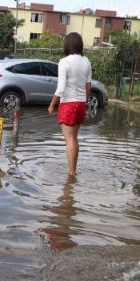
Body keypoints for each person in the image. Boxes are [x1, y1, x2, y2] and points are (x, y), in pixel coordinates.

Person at [48, 32, 92, 178]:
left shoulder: (64, 62)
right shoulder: (86, 61)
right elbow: (89, 86)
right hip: (80, 103)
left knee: (70, 139)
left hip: (68, 103)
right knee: (74, 138)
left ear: (67, 45)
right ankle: (73, 170)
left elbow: (61, 88)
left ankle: (71, 173)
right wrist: (84, 102)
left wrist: (52, 105)